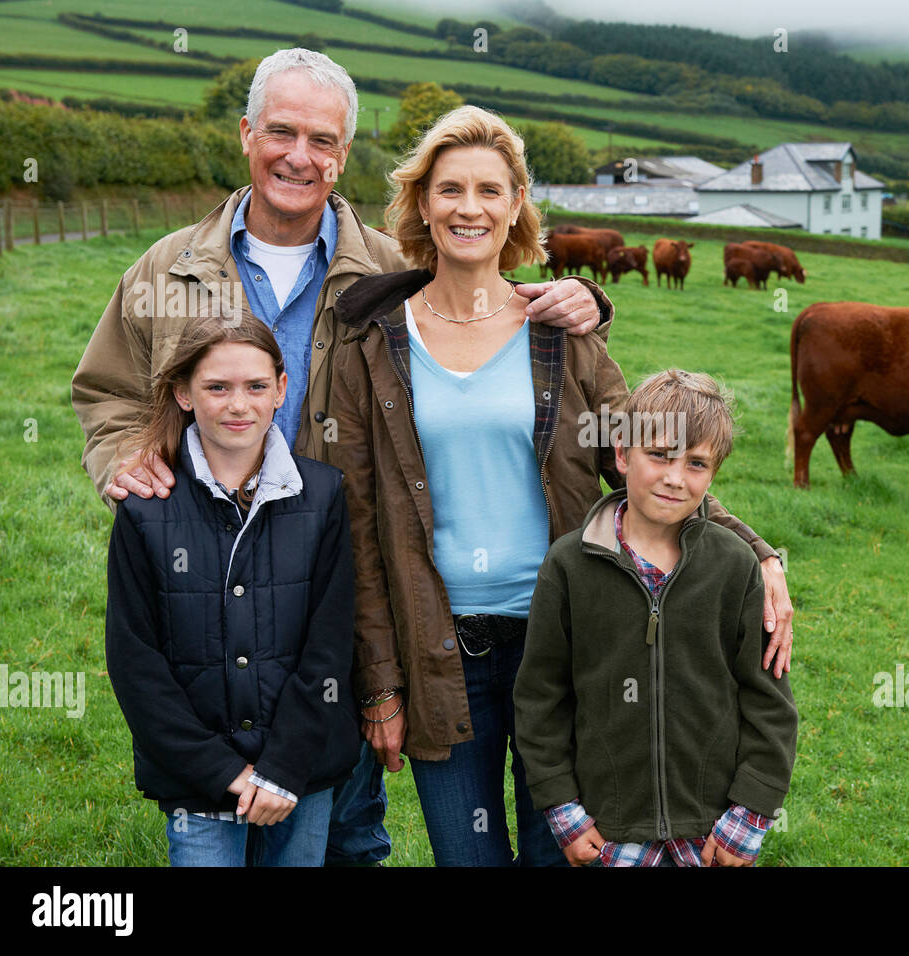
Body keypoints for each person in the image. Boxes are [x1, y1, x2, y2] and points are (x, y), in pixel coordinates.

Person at [70, 48, 613, 866]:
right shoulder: (167, 269)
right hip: (208, 572)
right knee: (214, 792)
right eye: (280, 131)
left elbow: (483, 295)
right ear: (247, 133)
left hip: (345, 575)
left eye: (323, 140)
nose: (299, 155)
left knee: (348, 814)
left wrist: (587, 301)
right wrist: (122, 457)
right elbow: (107, 387)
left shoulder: (390, 271)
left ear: (345, 154)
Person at [327, 104, 794, 866]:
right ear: (422, 204)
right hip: (442, 651)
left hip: (575, 641)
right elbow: (360, 522)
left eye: (489, 190)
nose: (468, 208)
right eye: (449, 190)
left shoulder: (560, 331)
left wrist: (756, 550)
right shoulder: (376, 342)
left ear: (516, 207)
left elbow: (647, 464)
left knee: (568, 855)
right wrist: (379, 682)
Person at [513, 370, 798, 867]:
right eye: (660, 455)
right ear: (622, 454)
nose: (674, 477)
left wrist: (749, 815)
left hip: (712, 833)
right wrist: (564, 811)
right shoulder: (569, 566)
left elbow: (770, 704)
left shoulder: (734, 567)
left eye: (696, 463)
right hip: (608, 830)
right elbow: (541, 699)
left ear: (713, 475)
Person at [104, 314, 360, 866]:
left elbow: (331, 646)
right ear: (183, 394)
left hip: (300, 773)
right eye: (216, 387)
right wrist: (223, 771)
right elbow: (135, 661)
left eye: (256, 387)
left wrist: (283, 768)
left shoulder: (323, 496)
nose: (238, 405)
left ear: (282, 390)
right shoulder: (145, 508)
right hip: (196, 782)